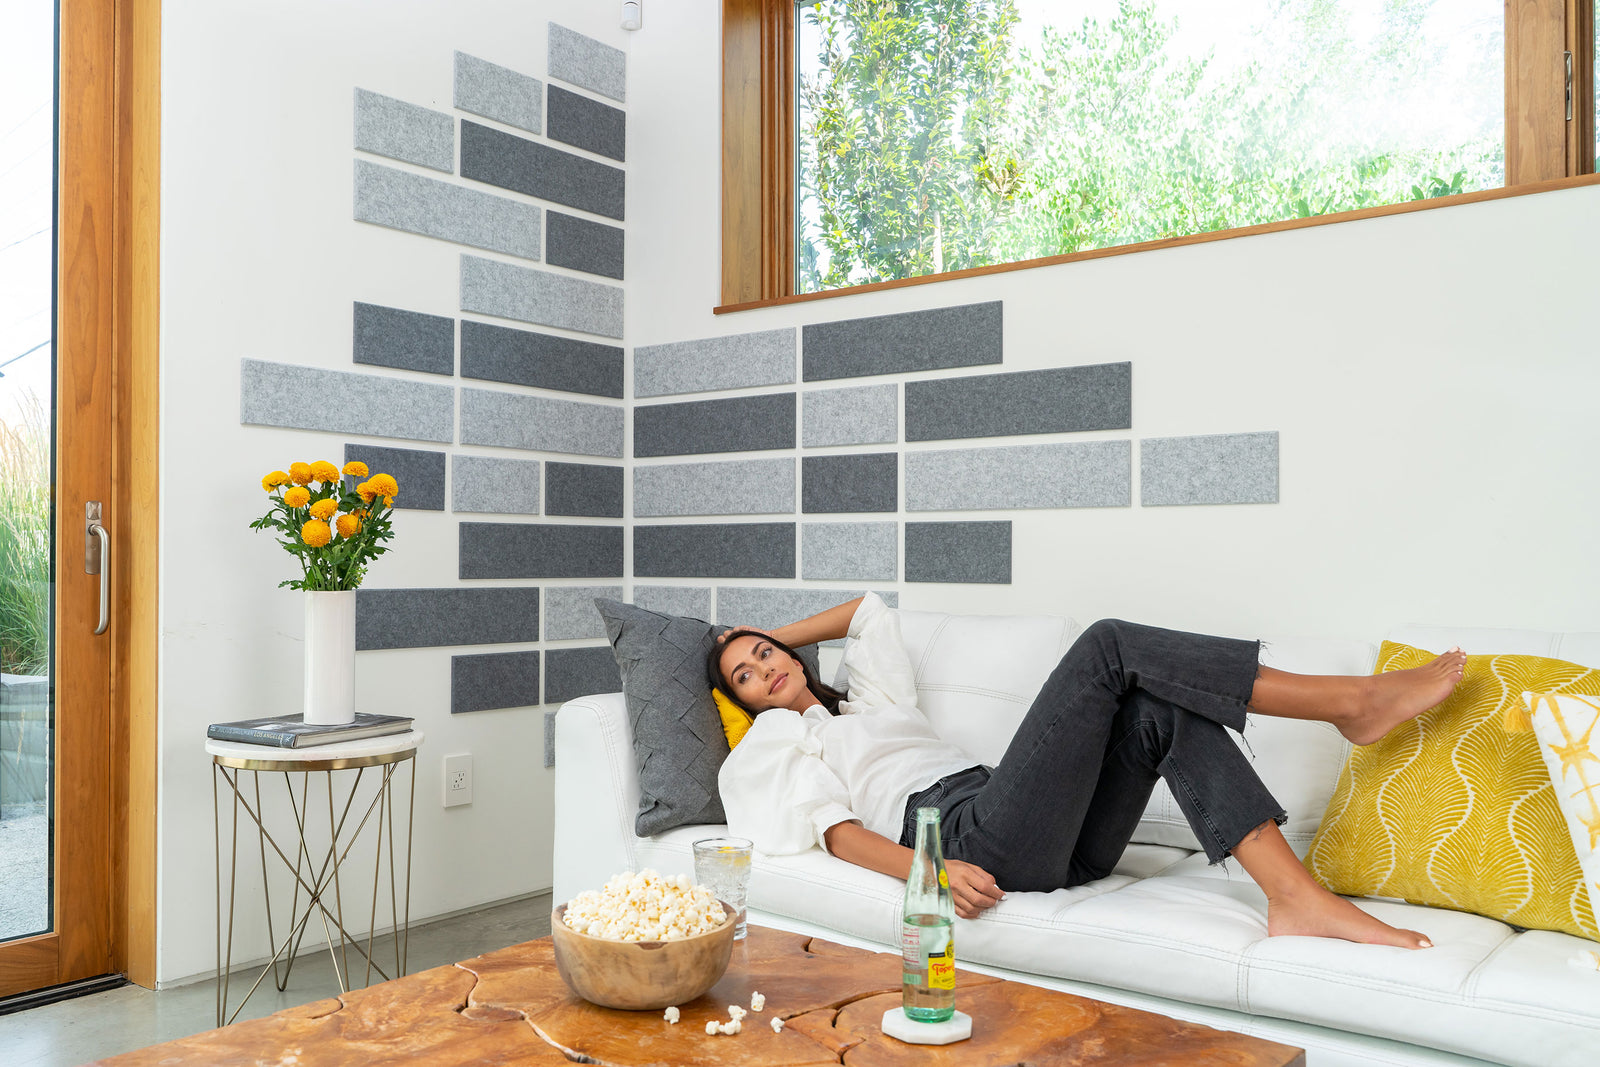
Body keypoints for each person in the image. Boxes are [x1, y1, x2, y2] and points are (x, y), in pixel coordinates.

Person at [708, 593, 1466, 950]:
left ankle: (1294, 897)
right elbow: (837, 834)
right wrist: (929, 872)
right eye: (745, 674)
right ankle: (1349, 702)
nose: (764, 668)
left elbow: (866, 611)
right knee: (1110, 645)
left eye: (766, 652)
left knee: (1157, 708)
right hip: (964, 833)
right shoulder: (780, 739)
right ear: (741, 702)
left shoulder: (871, 696)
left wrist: (757, 630)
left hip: (1040, 828)